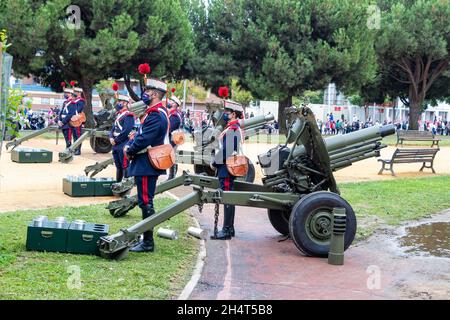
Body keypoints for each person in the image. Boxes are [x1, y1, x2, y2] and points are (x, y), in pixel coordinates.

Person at [124, 78, 169, 253]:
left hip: (146, 163)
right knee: (146, 200)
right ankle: (146, 239)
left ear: (156, 94)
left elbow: (145, 139)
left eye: (149, 91)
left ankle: (148, 242)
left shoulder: (156, 114)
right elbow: (144, 134)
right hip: (147, 162)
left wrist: (130, 149)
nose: (146, 93)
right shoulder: (155, 112)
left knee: (145, 201)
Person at [210, 101, 244, 240]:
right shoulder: (231, 128)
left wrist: (215, 163)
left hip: (227, 168)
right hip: (227, 167)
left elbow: (226, 150)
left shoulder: (233, 129)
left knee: (227, 198)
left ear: (234, 114)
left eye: (227, 112)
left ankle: (226, 229)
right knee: (228, 198)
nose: (225, 114)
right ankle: (230, 228)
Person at [109, 94, 135, 183]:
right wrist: (111, 137)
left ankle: (125, 186)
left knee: (125, 165)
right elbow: (113, 128)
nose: (118, 103)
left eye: (119, 101)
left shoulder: (129, 115)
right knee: (118, 165)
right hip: (115, 144)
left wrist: (115, 140)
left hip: (123, 143)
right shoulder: (119, 114)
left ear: (124, 103)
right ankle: (118, 183)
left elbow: (126, 131)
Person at [167, 94, 183, 180]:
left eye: (171, 101)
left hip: (173, 139)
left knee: (172, 157)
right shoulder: (172, 113)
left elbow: (170, 128)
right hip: (173, 138)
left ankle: (171, 176)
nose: (169, 102)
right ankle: (171, 176)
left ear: (175, 104)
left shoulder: (174, 115)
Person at [72, 88, 85, 155]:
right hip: (73, 119)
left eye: (75, 92)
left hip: (77, 120)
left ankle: (78, 150)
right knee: (74, 135)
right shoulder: (75, 100)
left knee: (78, 135)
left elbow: (79, 110)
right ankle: (75, 148)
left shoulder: (81, 101)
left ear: (79, 93)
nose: (74, 93)